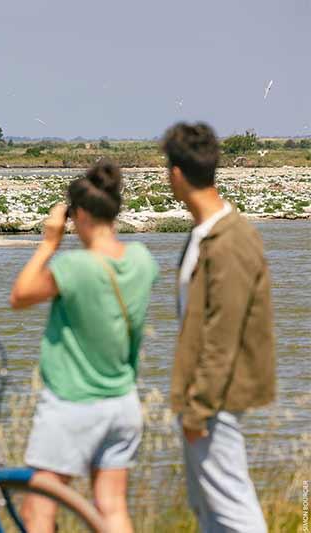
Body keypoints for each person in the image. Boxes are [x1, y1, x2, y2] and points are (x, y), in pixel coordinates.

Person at [9, 160, 159, 533]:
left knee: (38, 512)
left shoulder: (76, 266)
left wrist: (48, 243)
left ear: (81, 215)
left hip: (73, 403)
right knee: (111, 508)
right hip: (122, 403)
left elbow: (21, 295)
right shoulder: (142, 260)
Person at [162, 122, 275, 533]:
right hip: (205, 395)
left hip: (216, 398)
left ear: (176, 173)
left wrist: (199, 406)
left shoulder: (230, 238)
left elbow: (222, 334)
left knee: (232, 507)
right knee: (207, 507)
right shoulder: (205, 233)